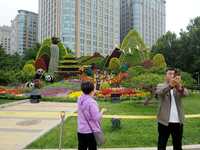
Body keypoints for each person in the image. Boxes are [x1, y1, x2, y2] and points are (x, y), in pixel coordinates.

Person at [155, 68, 188, 150]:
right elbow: (160, 92)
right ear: (165, 76)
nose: (172, 75)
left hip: (178, 121)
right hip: (164, 121)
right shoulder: (160, 85)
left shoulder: (178, 86)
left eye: (173, 74)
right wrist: (170, 85)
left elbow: (186, 94)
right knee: (162, 144)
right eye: (169, 73)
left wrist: (179, 86)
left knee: (177, 144)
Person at [77, 81, 106, 150]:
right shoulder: (91, 102)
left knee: (81, 147)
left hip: (80, 130)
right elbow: (96, 118)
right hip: (90, 131)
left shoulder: (79, 99)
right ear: (92, 91)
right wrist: (102, 111)